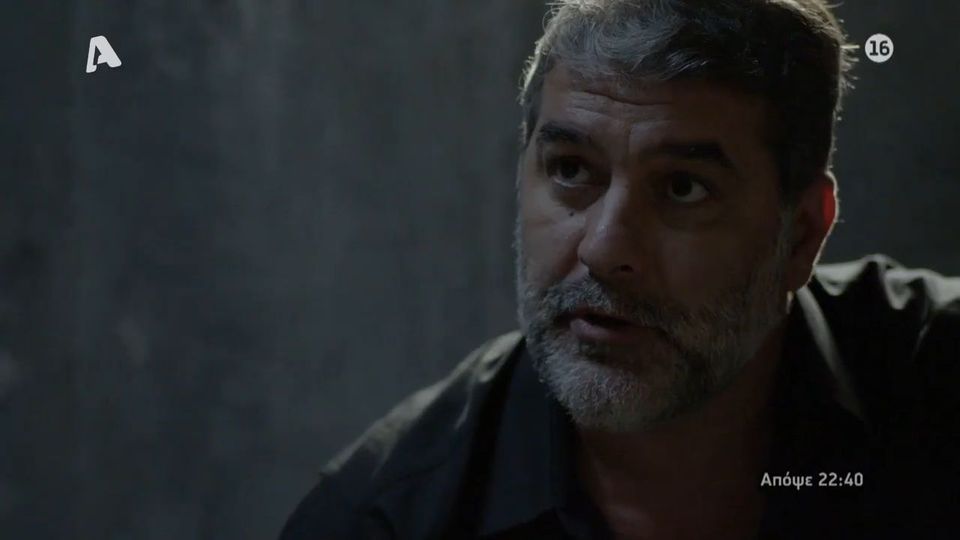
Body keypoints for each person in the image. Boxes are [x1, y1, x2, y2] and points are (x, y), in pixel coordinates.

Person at [279, 1, 960, 538]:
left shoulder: (936, 384)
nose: (605, 250)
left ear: (801, 235)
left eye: (684, 188)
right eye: (571, 170)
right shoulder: (386, 517)